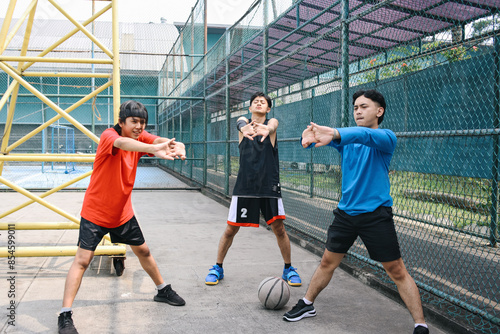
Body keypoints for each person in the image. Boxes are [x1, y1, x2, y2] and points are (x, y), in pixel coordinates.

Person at [282, 90, 429, 334]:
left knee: (396, 270)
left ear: (379, 111)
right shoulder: (347, 141)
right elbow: (321, 140)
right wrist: (308, 138)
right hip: (346, 214)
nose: (358, 111)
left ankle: (420, 324)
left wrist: (334, 132)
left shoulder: (386, 138)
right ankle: (307, 304)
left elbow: (362, 135)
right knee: (328, 262)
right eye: (355, 107)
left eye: (364, 106)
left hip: (375, 215)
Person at [58, 101, 187, 334]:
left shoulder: (141, 135)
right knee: (82, 260)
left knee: (144, 251)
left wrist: (174, 145)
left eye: (142, 123)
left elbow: (156, 140)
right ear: (121, 122)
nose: (139, 126)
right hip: (96, 212)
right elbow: (123, 143)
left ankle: (162, 289)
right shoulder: (110, 136)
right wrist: (151, 148)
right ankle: (64, 315)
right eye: (134, 122)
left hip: (122, 213)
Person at [204, 92, 302, 287]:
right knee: (231, 229)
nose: (259, 103)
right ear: (250, 108)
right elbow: (239, 121)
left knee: (279, 229)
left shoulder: (271, 127)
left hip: (269, 187)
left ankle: (289, 268)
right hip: (245, 186)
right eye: (255, 102)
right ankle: (217, 267)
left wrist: (267, 128)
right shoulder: (243, 126)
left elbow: (273, 123)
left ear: (268, 108)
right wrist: (244, 126)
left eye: (263, 102)